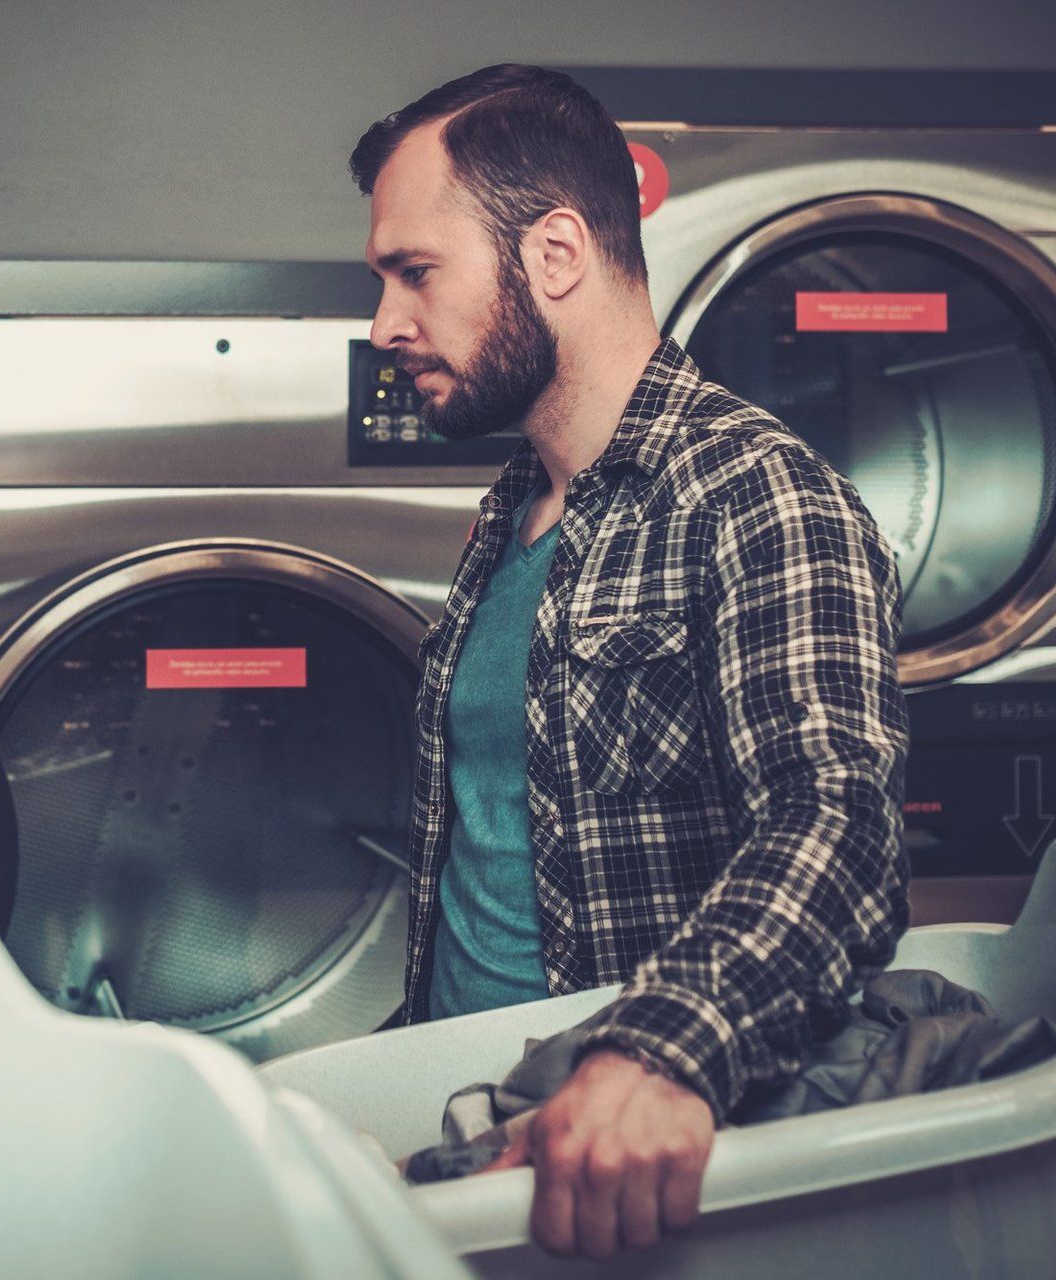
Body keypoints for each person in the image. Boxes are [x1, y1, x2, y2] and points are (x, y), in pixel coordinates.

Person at [353, 64, 911, 1260]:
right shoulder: (513, 510)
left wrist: (656, 1049)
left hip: (615, 1157)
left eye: (416, 271)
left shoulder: (760, 496)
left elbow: (838, 828)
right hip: (471, 1135)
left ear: (555, 253)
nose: (384, 324)